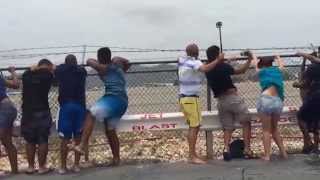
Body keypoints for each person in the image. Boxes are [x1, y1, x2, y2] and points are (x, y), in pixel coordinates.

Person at [72, 47, 130, 166]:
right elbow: (128, 63)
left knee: (91, 113)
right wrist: (119, 58)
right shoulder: (118, 67)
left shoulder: (103, 68)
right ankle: (116, 159)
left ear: (100, 58)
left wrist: (110, 60)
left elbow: (89, 61)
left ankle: (82, 145)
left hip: (113, 99)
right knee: (110, 130)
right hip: (122, 101)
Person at [178, 43, 225, 164]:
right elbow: (204, 68)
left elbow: (201, 66)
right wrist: (218, 60)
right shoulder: (195, 63)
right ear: (197, 52)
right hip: (191, 99)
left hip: (184, 98)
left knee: (193, 126)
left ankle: (192, 154)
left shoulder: (183, 62)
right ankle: (192, 156)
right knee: (195, 126)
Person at [205, 45, 253, 161]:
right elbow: (241, 71)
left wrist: (226, 60)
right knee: (246, 122)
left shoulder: (207, 69)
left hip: (221, 101)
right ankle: (247, 149)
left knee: (227, 128)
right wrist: (249, 60)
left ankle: (226, 149)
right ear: (218, 55)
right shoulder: (223, 66)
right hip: (232, 99)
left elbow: (217, 67)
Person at [21, 59, 54, 174]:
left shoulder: (26, 75)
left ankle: (30, 167)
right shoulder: (48, 75)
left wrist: (34, 68)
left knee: (29, 140)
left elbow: (28, 72)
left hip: (27, 111)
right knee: (43, 140)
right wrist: (48, 69)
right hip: (42, 110)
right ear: (48, 66)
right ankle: (42, 167)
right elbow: (52, 73)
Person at [55, 55, 87, 174]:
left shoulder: (60, 70)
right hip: (80, 106)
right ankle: (76, 165)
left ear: (65, 63)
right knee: (78, 137)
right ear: (76, 62)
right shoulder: (82, 71)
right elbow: (79, 69)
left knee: (65, 138)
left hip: (66, 106)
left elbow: (57, 70)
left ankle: (63, 166)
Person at [252, 54, 288, 161]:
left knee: (266, 130)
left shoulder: (262, 71)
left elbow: (255, 66)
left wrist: (254, 56)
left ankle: (267, 155)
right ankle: (283, 153)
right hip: (278, 101)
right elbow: (282, 66)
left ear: (262, 65)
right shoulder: (277, 71)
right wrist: (278, 56)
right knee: (275, 129)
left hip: (266, 99)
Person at [295, 52, 320, 153]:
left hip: (313, 98)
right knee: (316, 123)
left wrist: (302, 54)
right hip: (312, 100)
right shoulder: (312, 68)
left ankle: (309, 142)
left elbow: (304, 83)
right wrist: (305, 59)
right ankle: (314, 147)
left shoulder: (313, 68)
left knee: (300, 117)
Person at [0, 67, 19, 175]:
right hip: (8, 108)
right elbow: (16, 85)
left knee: (7, 141)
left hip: (4, 109)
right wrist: (13, 72)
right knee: (7, 142)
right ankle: (15, 172)